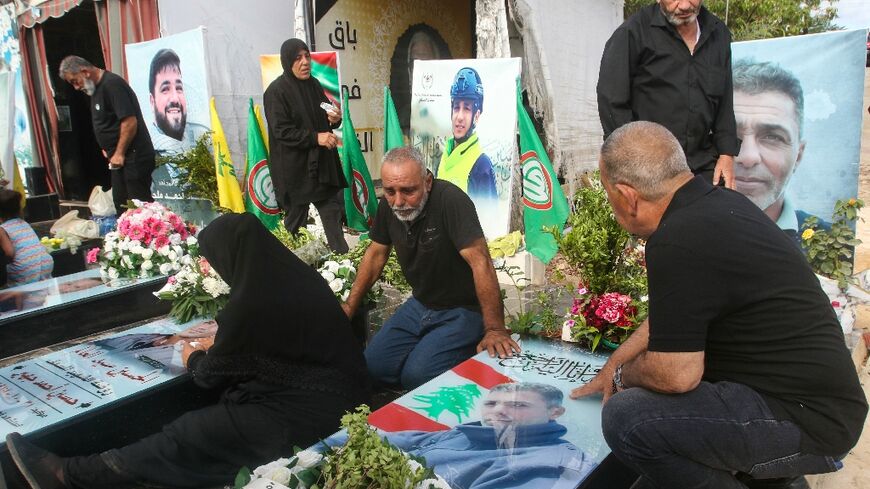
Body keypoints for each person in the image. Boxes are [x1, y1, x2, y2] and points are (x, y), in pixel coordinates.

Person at [570, 121, 867, 489]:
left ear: (628, 196)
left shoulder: (677, 238)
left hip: (805, 419)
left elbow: (676, 375)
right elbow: (675, 316)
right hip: (821, 405)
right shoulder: (715, 205)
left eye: (607, 191)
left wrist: (623, 376)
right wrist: (616, 360)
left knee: (628, 417)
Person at [5, 212, 370, 488]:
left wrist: (192, 355)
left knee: (192, 432)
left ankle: (66, 475)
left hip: (314, 413)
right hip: (340, 394)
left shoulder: (253, 303)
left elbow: (208, 376)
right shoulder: (295, 278)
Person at [342, 147, 518, 390]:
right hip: (420, 304)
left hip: (462, 309)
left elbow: (481, 262)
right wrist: (350, 306)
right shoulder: (389, 206)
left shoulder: (451, 201)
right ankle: (431, 353)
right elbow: (375, 255)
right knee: (372, 368)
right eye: (390, 191)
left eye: (408, 191)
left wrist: (495, 328)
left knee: (417, 378)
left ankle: (467, 345)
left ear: (427, 181)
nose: (399, 201)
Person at [336, 383, 596, 488]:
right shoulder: (460, 435)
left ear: (555, 412)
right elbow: (375, 439)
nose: (499, 412)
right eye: (492, 404)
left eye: (518, 405)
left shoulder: (555, 462)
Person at [597, 0, 739, 188]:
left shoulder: (718, 34)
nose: (684, 6)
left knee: (720, 213)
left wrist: (726, 155)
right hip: (652, 169)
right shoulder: (632, 34)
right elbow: (612, 101)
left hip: (703, 164)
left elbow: (725, 100)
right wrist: (634, 161)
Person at [264, 38, 349, 254]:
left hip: (322, 166)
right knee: (296, 224)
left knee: (333, 211)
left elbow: (325, 111)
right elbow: (281, 131)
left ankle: (342, 264)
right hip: (296, 170)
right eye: (298, 58)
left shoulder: (314, 85)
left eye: (307, 56)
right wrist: (316, 138)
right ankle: (293, 269)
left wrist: (334, 118)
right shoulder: (276, 92)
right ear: (287, 62)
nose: (305, 62)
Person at [731, 58, 828, 243]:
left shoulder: (831, 245)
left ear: (798, 156)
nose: (747, 157)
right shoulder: (673, 232)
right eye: (728, 134)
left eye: (772, 137)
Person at [59, 55, 155, 213]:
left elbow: (129, 122)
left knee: (137, 207)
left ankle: (145, 236)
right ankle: (125, 237)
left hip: (133, 156)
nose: (76, 87)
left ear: (85, 72)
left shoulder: (112, 84)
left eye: (75, 81)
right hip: (118, 160)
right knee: (121, 204)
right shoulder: (95, 90)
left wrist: (119, 152)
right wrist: (108, 147)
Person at [436, 67, 498, 203]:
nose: (459, 117)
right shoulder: (442, 159)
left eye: (467, 109)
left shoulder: (482, 166)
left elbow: (489, 219)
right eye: (456, 107)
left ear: (476, 116)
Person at [147, 48, 209, 156]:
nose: (175, 99)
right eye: (165, 89)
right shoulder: (146, 148)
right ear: (152, 101)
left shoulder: (203, 135)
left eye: (179, 88)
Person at [0, 189, 52, 285]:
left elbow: (9, 253)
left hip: (25, 270)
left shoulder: (2, 229)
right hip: (46, 263)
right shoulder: (24, 223)